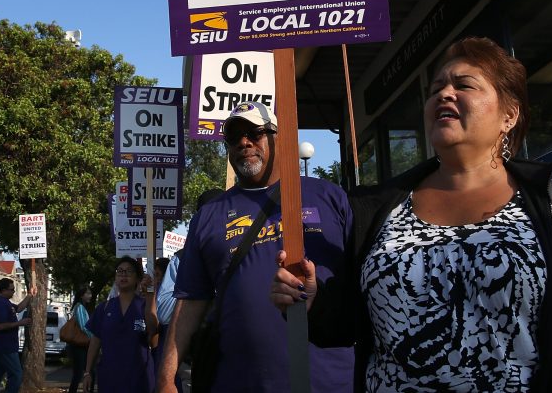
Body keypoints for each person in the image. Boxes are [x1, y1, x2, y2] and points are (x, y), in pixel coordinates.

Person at [272, 36, 552, 392]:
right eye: (437, 87)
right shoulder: (379, 210)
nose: (444, 94)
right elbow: (357, 323)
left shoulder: (551, 206)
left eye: (464, 85)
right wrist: (314, 302)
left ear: (509, 114)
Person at [157, 102, 355, 393]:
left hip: (330, 382)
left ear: (279, 137)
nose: (244, 142)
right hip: (239, 381)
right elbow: (189, 302)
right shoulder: (209, 216)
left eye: (254, 132)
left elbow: (362, 280)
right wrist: (165, 379)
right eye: (234, 137)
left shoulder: (328, 197)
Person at [155, 189, 225, 392]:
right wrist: (199, 294)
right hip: (198, 357)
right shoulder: (181, 259)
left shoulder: (249, 250)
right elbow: (165, 312)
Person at [83, 256, 157, 393]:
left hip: (140, 379)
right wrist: (87, 372)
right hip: (110, 378)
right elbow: (95, 342)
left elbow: (153, 335)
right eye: (120, 271)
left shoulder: (144, 306)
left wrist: (150, 297)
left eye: (129, 271)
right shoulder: (104, 308)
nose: (123, 275)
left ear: (137, 279)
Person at [0, 278, 36, 393]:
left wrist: (29, 295)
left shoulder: (5, 302)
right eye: (12, 290)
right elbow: (1, 326)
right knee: (16, 374)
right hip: (5, 347)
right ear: (3, 290)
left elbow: (18, 308)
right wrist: (20, 323)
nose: (13, 292)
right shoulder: (0, 304)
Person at [67, 285, 94, 393]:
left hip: (80, 345)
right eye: (87, 293)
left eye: (90, 293)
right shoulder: (79, 307)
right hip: (79, 345)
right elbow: (84, 327)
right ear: (81, 295)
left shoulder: (80, 307)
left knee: (84, 372)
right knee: (80, 373)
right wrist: (93, 339)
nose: (90, 296)